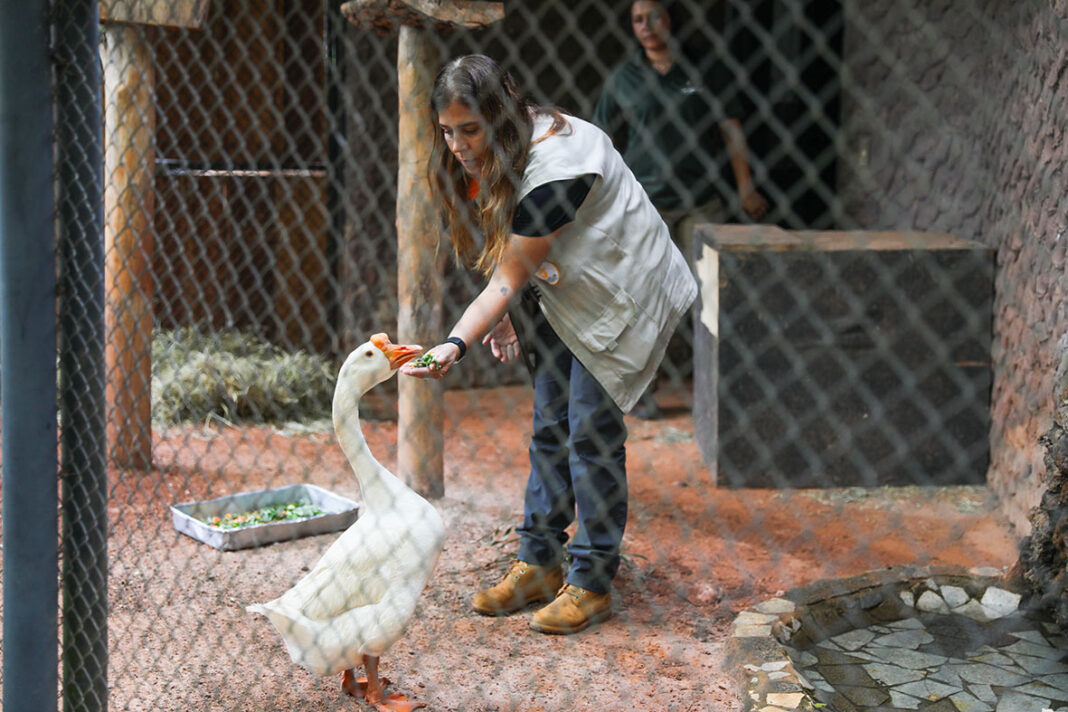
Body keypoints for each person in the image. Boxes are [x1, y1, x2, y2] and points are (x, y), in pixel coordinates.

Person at [400, 55, 697, 635]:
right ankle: (539, 562)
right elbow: (509, 253)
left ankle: (590, 582)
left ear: (500, 116)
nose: (458, 145)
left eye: (470, 130)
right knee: (549, 422)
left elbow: (508, 275)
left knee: (591, 432)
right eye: (447, 132)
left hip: (621, 290)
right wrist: (504, 315)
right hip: (569, 288)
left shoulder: (558, 166)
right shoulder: (506, 147)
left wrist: (455, 344)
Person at [593, 0, 769, 419]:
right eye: (637, 19)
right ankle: (641, 392)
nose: (647, 26)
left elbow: (731, 129)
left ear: (673, 19)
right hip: (645, 207)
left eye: (655, 16)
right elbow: (601, 139)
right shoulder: (624, 78)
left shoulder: (706, 70)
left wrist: (746, 187)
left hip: (700, 201)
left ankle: (719, 394)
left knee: (710, 295)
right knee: (643, 298)